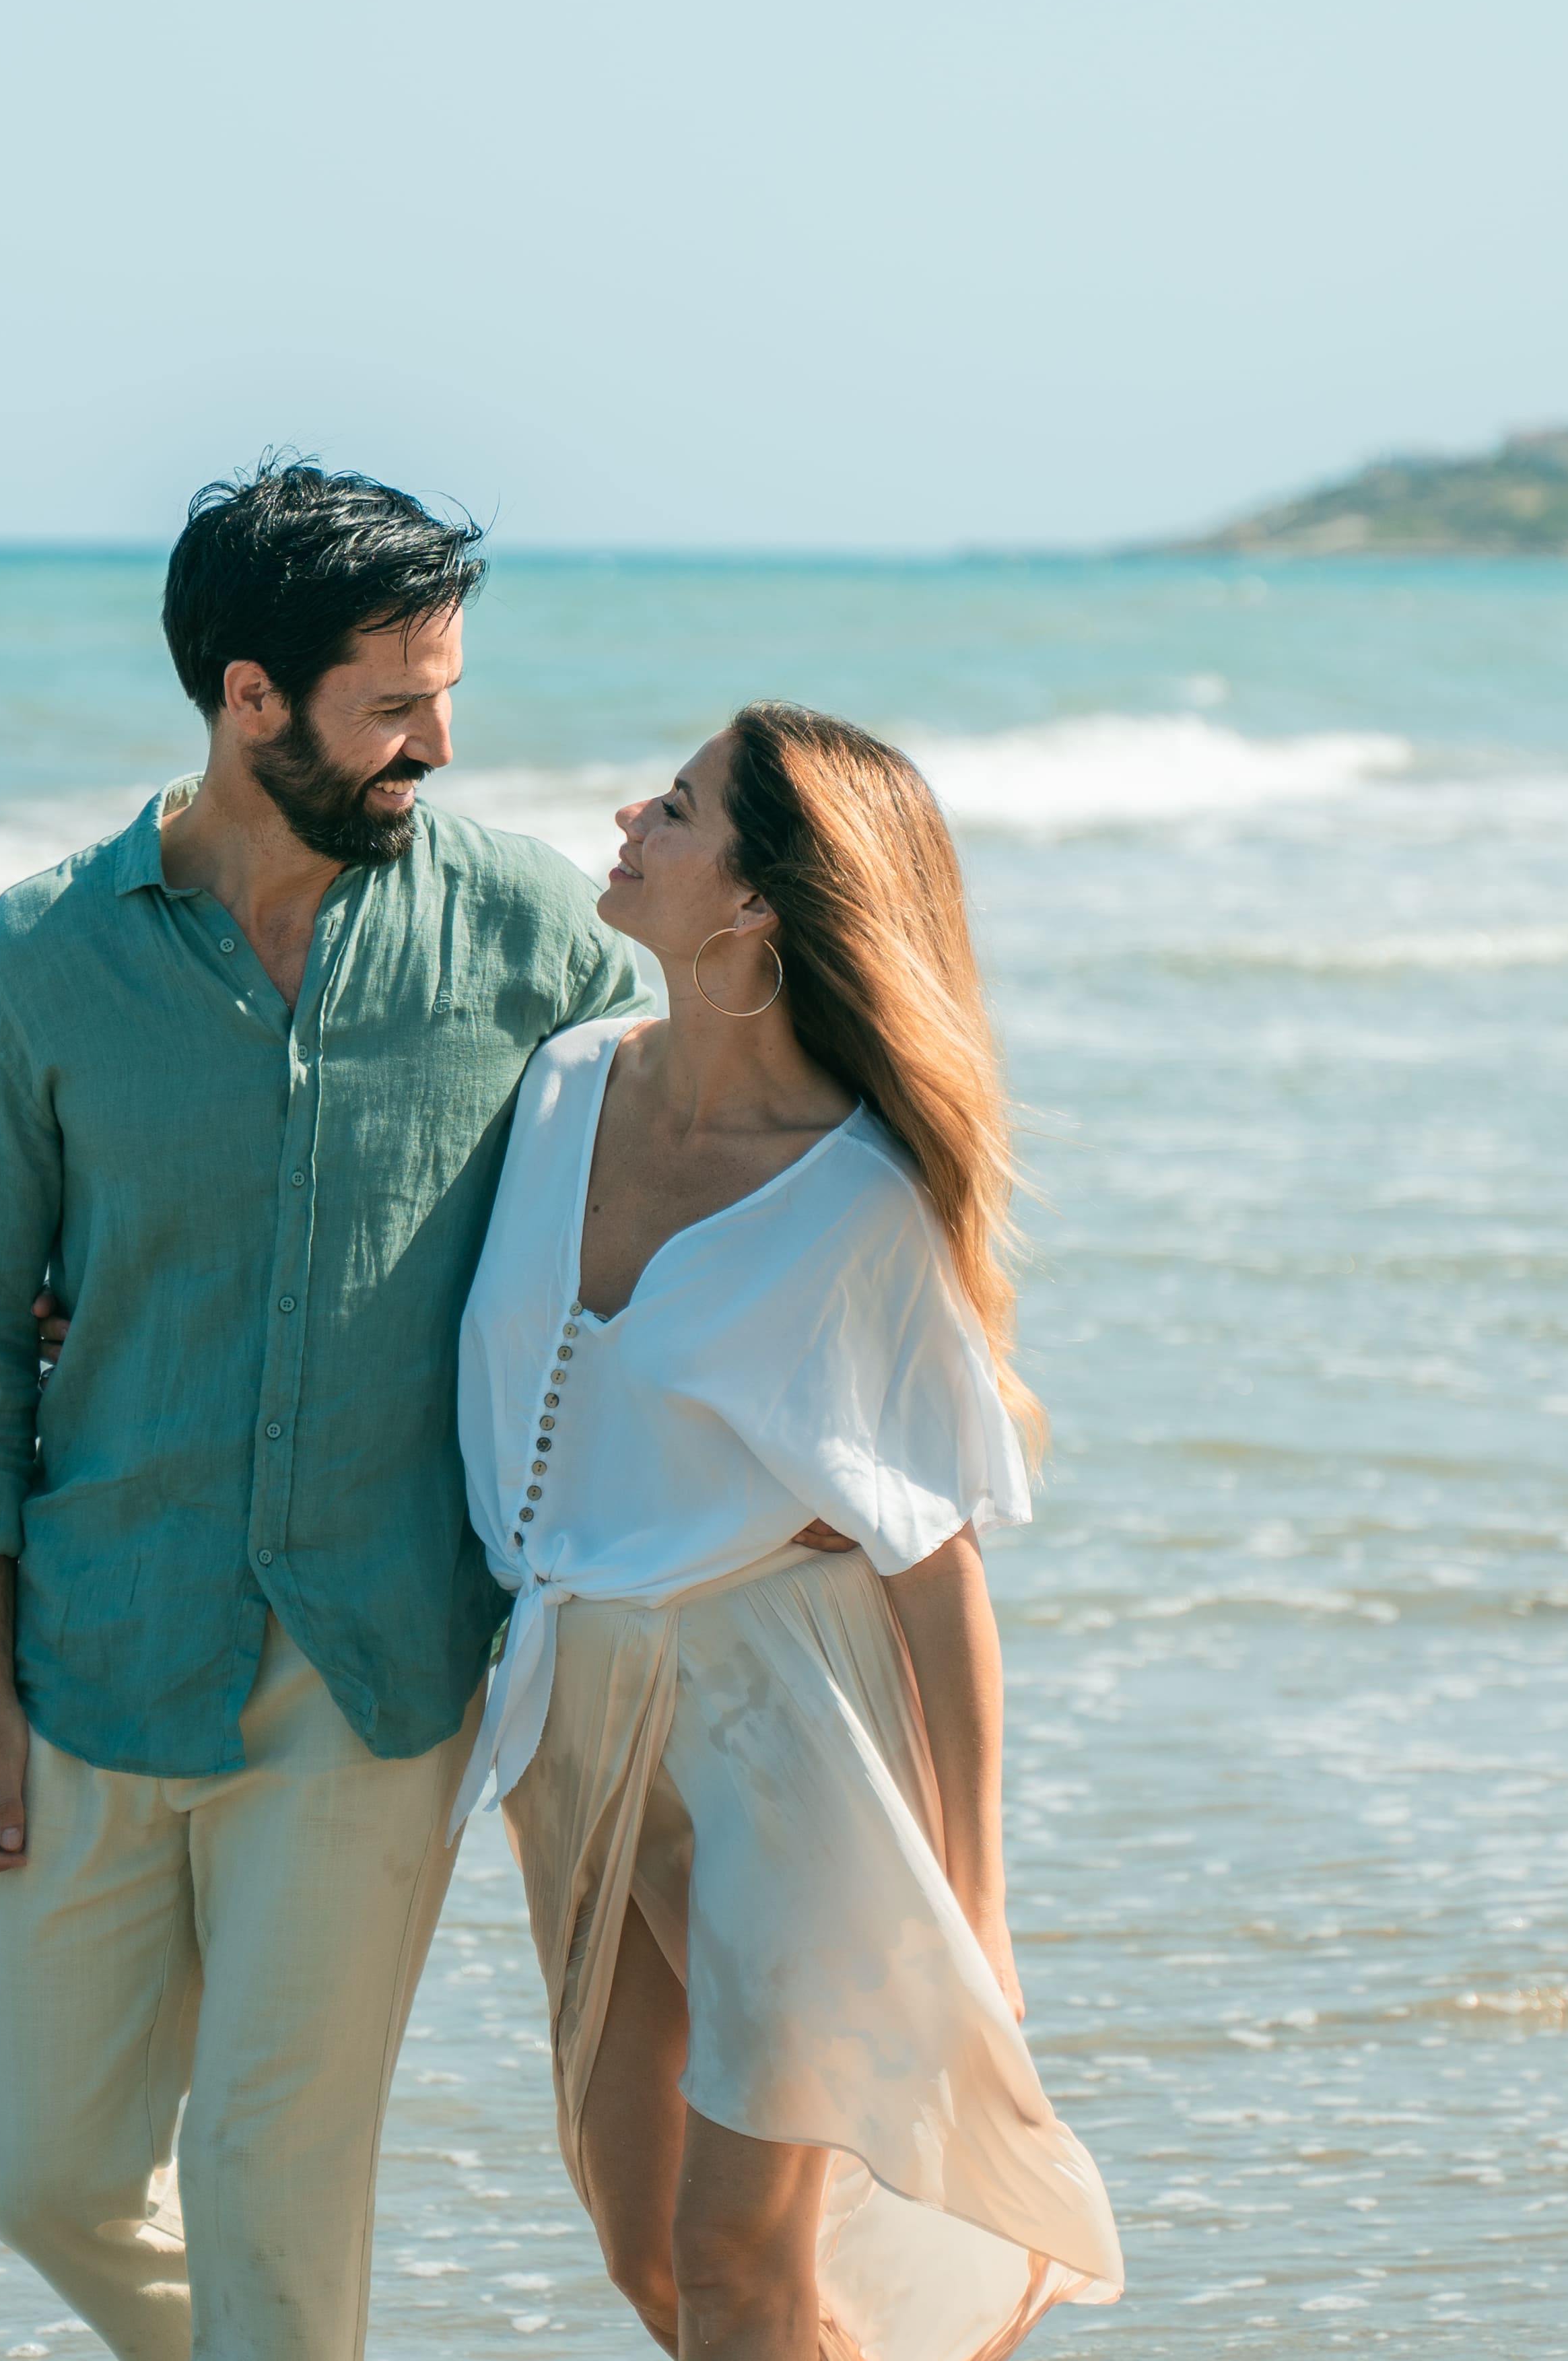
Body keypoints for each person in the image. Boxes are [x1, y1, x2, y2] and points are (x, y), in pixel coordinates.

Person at [0, 460, 645, 2361]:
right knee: (47, 2175)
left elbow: (706, 1110)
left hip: (378, 1662)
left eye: (449, 691)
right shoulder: (41, 960)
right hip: (95, 1651)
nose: (440, 742)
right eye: (395, 704)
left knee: (272, 2176)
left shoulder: (528, 934)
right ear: (251, 698)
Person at [457, 703, 1124, 2359]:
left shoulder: (857, 1195)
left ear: (757, 901)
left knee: (741, 2253)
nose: (629, 815)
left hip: (783, 1724)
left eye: (675, 808)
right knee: (650, 2258)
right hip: (570, 1724)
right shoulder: (555, 1092)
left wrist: (977, 1902)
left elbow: (933, 1559)